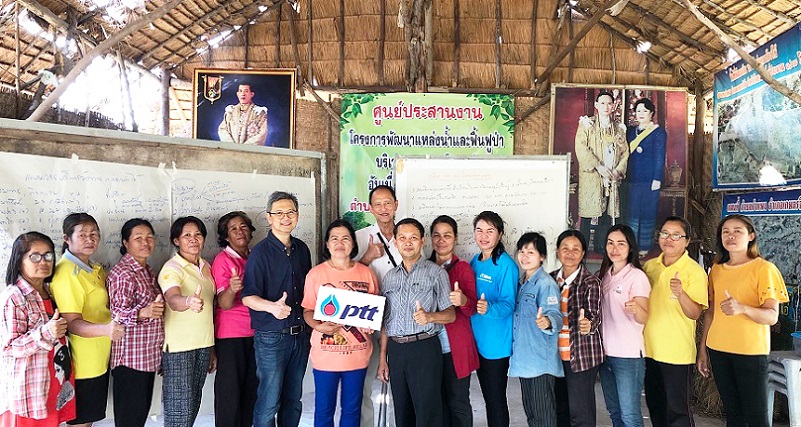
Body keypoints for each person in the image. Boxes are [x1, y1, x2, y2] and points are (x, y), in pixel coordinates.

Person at [697, 214, 788, 427]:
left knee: (756, 416)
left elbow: (771, 316)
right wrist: (702, 349)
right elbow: (711, 312)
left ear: (751, 236)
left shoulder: (764, 269)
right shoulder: (717, 269)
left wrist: (742, 308)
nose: (731, 236)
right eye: (726, 232)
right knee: (733, 414)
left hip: (750, 352)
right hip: (718, 349)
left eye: (737, 231)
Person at [242, 191, 312, 427]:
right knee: (269, 402)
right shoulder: (260, 253)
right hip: (271, 338)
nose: (285, 217)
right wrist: (271, 307)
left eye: (290, 212)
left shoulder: (302, 249)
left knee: (293, 400)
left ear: (297, 216)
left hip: (300, 336)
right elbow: (247, 297)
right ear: (269, 217)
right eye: (279, 213)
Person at [376, 218, 455, 427]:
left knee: (427, 412)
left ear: (422, 241)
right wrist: (383, 358)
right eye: (402, 238)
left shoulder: (436, 273)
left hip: (424, 348)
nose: (407, 242)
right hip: (396, 350)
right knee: (402, 413)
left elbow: (451, 314)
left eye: (413, 237)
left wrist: (430, 317)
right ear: (395, 242)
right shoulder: (389, 277)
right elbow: (385, 321)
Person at [301, 219, 379, 427]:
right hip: (326, 355)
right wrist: (318, 326)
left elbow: (374, 312)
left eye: (345, 238)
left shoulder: (366, 273)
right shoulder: (316, 274)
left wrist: (370, 324)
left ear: (353, 243)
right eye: (334, 238)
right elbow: (308, 310)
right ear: (327, 244)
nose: (339, 242)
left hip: (358, 355)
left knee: (352, 411)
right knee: (324, 410)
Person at [51, 213, 124, 427]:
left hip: (97, 358)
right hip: (82, 363)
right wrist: (106, 330)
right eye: (82, 235)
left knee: (88, 419)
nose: (90, 239)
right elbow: (72, 322)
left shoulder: (92, 268)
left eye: (94, 234)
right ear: (67, 238)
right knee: (80, 422)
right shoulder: (67, 274)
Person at [0, 232, 75, 426]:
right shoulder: (14, 297)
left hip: (52, 382)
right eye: (35, 256)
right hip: (28, 389)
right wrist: (46, 332)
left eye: (48, 255)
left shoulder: (49, 291)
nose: (43, 261)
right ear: (19, 260)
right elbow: (10, 347)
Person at [642, 216, 708, 427]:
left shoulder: (694, 271)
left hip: (677, 354)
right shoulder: (650, 266)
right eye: (665, 233)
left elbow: (695, 313)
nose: (669, 239)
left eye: (676, 235)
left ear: (687, 241)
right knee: (656, 406)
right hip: (649, 350)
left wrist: (680, 294)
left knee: (678, 412)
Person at [158, 216, 216, 427]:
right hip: (179, 347)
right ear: (176, 240)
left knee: (192, 405)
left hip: (203, 344)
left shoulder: (206, 266)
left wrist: (212, 349)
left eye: (198, 234)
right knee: (179, 411)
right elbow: (173, 299)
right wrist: (188, 301)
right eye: (187, 235)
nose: (193, 239)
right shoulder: (172, 268)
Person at [106, 219, 164, 427]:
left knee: (138, 418)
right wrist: (143, 312)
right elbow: (117, 314)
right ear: (125, 243)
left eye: (149, 237)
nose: (145, 242)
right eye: (138, 238)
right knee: (129, 420)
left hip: (146, 357)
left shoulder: (148, 271)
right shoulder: (123, 273)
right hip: (130, 360)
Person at [354, 184, 402, 427]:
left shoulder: (407, 235)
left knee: (399, 384)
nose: (384, 208)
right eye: (378, 204)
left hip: (400, 320)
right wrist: (367, 257)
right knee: (363, 384)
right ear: (370, 208)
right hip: (367, 320)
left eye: (388, 203)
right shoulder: (360, 237)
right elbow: (347, 276)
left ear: (396, 205)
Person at [428, 215, 479, 427]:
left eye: (447, 235)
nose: (441, 240)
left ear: (455, 238)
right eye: (437, 235)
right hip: (429, 348)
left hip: (455, 348)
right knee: (436, 403)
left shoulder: (463, 268)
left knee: (458, 402)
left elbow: (472, 308)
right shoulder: (423, 268)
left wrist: (463, 300)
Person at [508, 232, 563, 427]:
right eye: (521, 251)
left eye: (530, 252)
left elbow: (555, 315)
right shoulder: (521, 283)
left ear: (542, 256)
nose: (524, 256)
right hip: (524, 360)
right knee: (531, 414)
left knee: (543, 416)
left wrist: (547, 321)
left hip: (540, 362)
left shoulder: (546, 284)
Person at [598, 225, 650, 427]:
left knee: (630, 415)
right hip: (605, 354)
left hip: (628, 356)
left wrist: (637, 309)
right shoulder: (605, 275)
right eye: (610, 243)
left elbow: (644, 317)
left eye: (621, 244)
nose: (615, 249)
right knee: (615, 412)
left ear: (630, 248)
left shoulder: (636, 276)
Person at [550, 229, 603, 427]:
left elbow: (594, 316)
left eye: (575, 249)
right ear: (557, 251)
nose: (570, 253)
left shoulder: (590, 282)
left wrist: (587, 324)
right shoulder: (549, 280)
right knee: (559, 409)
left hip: (581, 356)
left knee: (581, 413)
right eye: (565, 248)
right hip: (553, 357)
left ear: (582, 254)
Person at [470, 211, 518, 427]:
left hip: (496, 345)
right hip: (478, 341)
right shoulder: (475, 261)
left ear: (500, 234)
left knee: (496, 399)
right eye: (479, 230)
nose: (484, 236)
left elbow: (509, 304)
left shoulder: (506, 265)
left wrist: (488, 308)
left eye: (490, 231)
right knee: (488, 398)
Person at [210, 211, 258, 427]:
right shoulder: (223, 260)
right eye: (233, 229)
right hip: (231, 337)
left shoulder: (256, 257)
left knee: (251, 393)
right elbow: (224, 303)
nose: (240, 231)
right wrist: (232, 288)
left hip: (257, 333)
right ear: (225, 236)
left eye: (243, 227)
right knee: (230, 395)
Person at [574, 91, 629, 253]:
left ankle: (601, 248)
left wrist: (618, 170)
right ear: (596, 105)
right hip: (592, 176)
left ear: (614, 106)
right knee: (587, 214)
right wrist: (598, 166)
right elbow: (581, 148)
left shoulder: (619, 129)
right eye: (603, 103)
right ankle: (581, 250)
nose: (606, 107)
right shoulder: (587, 125)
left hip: (611, 177)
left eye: (609, 103)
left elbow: (625, 152)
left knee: (607, 215)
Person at [625, 97, 667, 255]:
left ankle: (643, 246)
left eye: (645, 111)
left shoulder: (658, 132)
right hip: (632, 178)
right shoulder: (630, 131)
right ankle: (631, 245)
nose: (641, 113)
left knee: (647, 212)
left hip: (650, 180)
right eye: (638, 111)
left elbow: (660, 157)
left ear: (652, 113)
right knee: (632, 212)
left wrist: (657, 178)